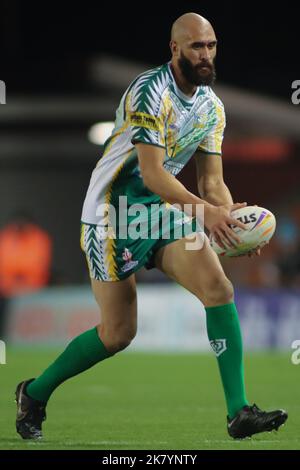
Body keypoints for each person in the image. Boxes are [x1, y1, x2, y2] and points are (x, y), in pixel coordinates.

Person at [15, 13, 287, 441]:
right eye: (197, 46)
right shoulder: (149, 91)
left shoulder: (211, 107)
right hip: (113, 213)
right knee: (117, 333)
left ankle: (239, 412)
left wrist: (229, 220)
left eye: (212, 45)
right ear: (175, 48)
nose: (206, 54)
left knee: (219, 289)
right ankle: (34, 393)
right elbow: (154, 173)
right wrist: (206, 213)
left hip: (163, 210)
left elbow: (211, 182)